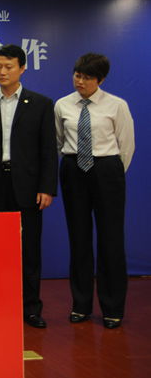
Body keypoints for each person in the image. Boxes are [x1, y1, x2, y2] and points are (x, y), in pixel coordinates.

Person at [0, 44, 58, 329]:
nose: (2, 72)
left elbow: (48, 150)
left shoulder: (41, 104)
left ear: (22, 68)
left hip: (28, 186)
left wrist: (47, 187)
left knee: (29, 250)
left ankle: (31, 308)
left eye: (8, 67)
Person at [55, 53, 134, 329]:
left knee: (111, 240)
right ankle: (81, 305)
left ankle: (113, 308)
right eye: (77, 75)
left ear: (100, 80)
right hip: (73, 169)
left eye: (87, 77)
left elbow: (126, 145)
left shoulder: (117, 105)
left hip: (107, 170)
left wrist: (110, 172)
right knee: (79, 238)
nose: (80, 81)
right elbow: (59, 140)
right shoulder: (62, 105)